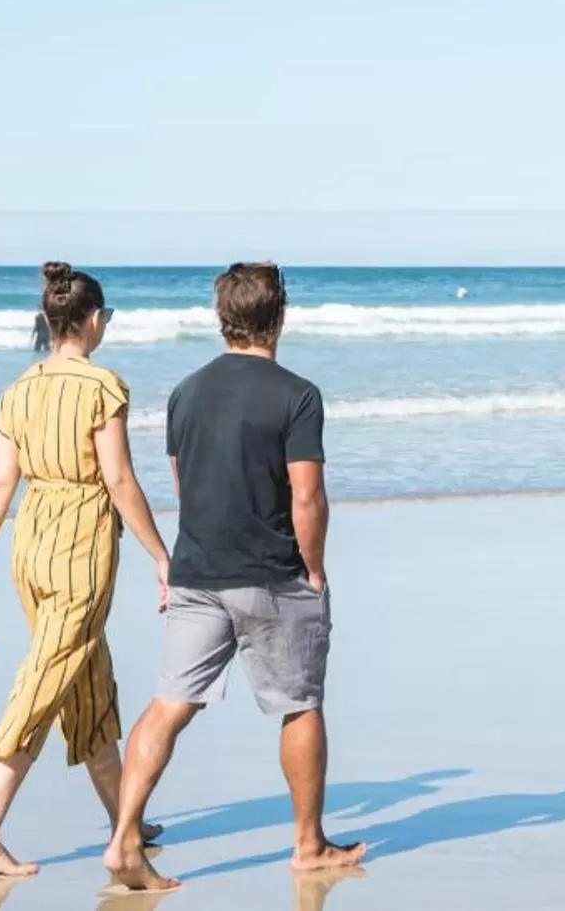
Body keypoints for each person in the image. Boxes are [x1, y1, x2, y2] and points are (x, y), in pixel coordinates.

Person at [106, 264, 363, 889]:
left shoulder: (185, 392)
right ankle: (308, 846)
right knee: (300, 704)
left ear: (222, 317)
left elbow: (182, 482)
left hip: (196, 568)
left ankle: (122, 840)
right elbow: (307, 497)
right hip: (271, 573)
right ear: (279, 315)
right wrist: (316, 568)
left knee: (170, 704)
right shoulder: (297, 394)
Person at [0, 263, 171, 876]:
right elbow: (119, 480)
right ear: (94, 320)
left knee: (86, 680)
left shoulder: (17, 390)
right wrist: (161, 556)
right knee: (46, 678)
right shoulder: (103, 386)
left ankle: (126, 820)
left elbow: (0, 484)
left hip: (31, 540)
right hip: (81, 543)